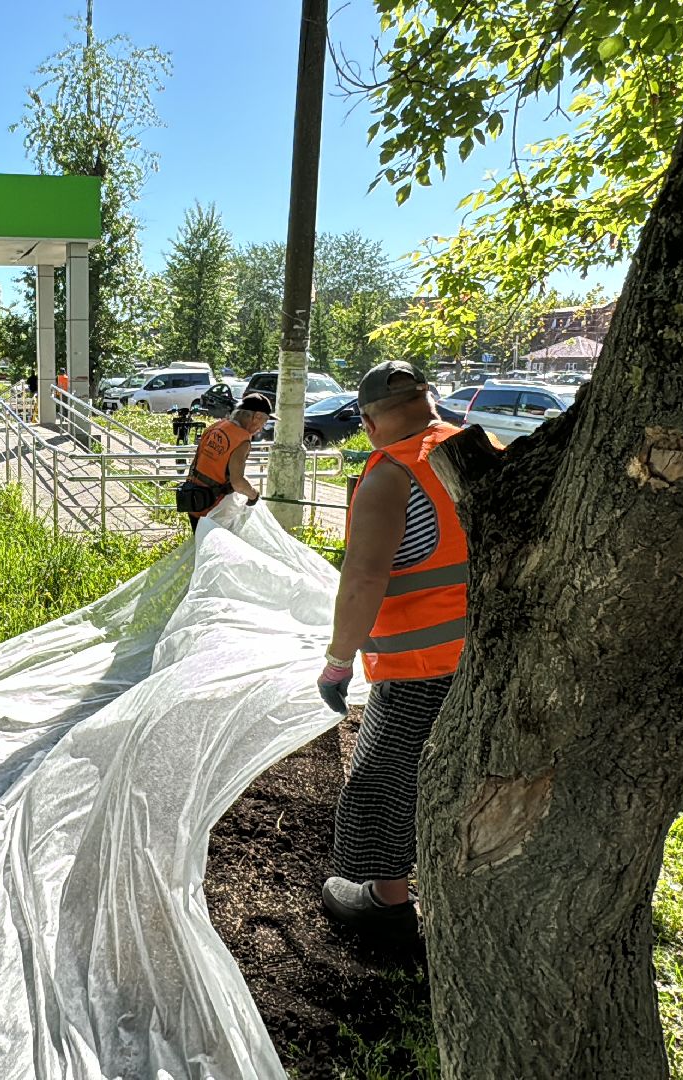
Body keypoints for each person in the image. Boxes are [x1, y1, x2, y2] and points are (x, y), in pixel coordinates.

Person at [314, 361, 475, 932]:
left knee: (382, 776)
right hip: (486, 655)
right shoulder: (474, 449)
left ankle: (385, 900)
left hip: (420, 666)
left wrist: (337, 663)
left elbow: (362, 579)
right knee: (466, 773)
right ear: (429, 401)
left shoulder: (391, 475)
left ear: (368, 422)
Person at [179, 392, 272, 530]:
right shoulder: (241, 440)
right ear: (256, 417)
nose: (260, 428)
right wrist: (253, 495)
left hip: (192, 499)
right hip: (213, 508)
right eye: (263, 422)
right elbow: (237, 482)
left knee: (200, 548)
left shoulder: (217, 426)